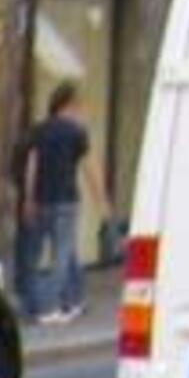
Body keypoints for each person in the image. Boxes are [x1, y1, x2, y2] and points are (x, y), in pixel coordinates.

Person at [17, 80, 111, 323]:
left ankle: (73, 298)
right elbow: (90, 169)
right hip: (66, 200)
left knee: (50, 253)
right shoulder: (76, 132)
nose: (81, 110)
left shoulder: (40, 130)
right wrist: (102, 202)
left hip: (41, 199)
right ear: (69, 104)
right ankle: (50, 307)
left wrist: (29, 197)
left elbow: (32, 165)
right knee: (61, 254)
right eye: (79, 105)